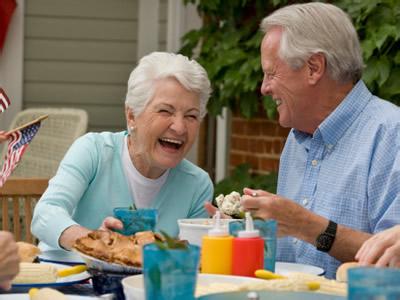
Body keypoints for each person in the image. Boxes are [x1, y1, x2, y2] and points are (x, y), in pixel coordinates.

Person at [207, 2, 400, 279]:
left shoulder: (391, 136)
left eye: (271, 73)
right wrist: (246, 231)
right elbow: (290, 260)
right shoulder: (296, 141)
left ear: (313, 68)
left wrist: (309, 226)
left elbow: (394, 263)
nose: (263, 87)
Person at [31, 52, 213, 251]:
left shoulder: (197, 185)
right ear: (132, 115)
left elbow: (189, 260)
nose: (179, 127)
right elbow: (46, 214)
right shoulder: (94, 151)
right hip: (63, 278)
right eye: (165, 111)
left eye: (191, 116)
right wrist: (94, 242)